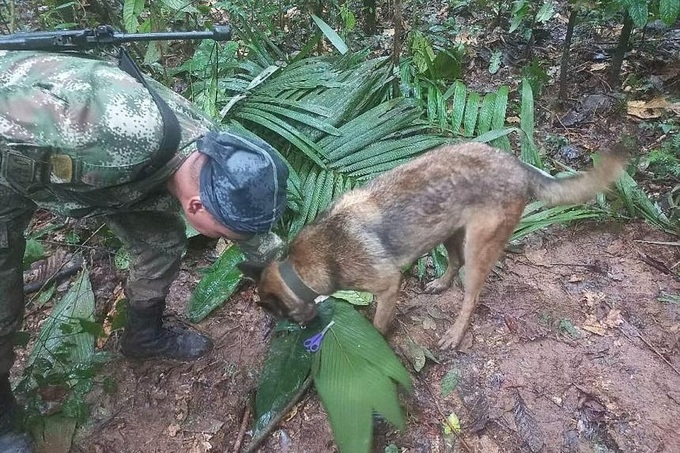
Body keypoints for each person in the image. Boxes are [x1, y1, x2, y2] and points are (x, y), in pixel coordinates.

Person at [0, 49, 288, 451]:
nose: (231, 239)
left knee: (162, 242)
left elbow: (253, 234)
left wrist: (293, 284)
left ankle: (143, 336)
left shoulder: (215, 157)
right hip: (12, 154)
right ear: (196, 207)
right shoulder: (106, 131)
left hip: (103, 179)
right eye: (226, 234)